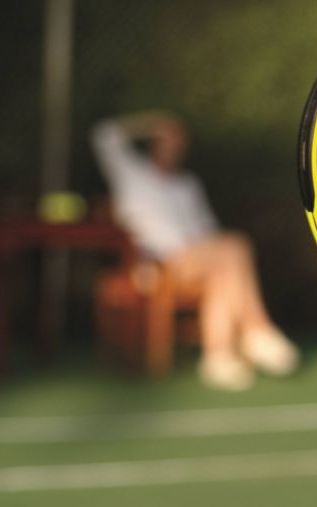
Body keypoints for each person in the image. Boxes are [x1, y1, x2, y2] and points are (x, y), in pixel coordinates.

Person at [91, 111, 298, 391]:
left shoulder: (188, 185)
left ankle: (219, 358)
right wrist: (153, 123)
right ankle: (256, 329)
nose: (171, 149)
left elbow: (209, 233)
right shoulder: (132, 175)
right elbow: (103, 134)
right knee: (234, 249)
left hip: (195, 263)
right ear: (154, 143)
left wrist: (214, 251)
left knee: (226, 269)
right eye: (166, 142)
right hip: (152, 267)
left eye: (177, 144)